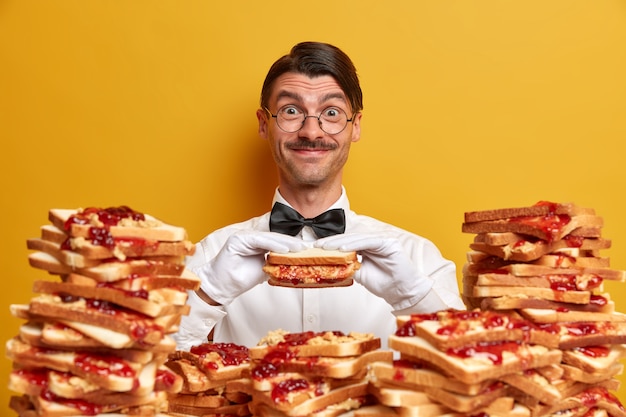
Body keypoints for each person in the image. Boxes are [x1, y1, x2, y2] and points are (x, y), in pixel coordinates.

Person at [174, 41, 464, 351]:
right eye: (291, 110)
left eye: (331, 112)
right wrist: (208, 294)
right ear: (263, 124)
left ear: (355, 127)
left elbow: (472, 372)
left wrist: (415, 299)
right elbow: (151, 371)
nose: (311, 132)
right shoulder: (210, 258)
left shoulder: (419, 259)